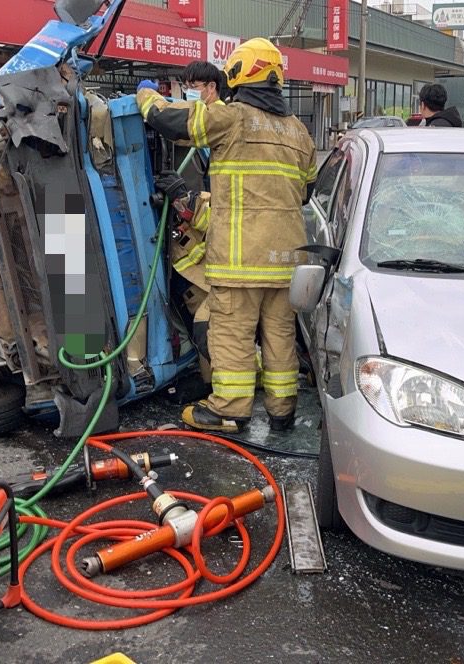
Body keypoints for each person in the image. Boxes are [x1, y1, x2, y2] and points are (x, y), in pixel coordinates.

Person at [136, 37, 316, 433]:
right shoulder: (299, 132)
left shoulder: (231, 118)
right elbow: (307, 189)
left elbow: (174, 123)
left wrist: (147, 97)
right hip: (288, 262)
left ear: (237, 74)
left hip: (240, 260)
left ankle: (230, 410)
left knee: (232, 335)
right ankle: (282, 410)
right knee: (280, 337)